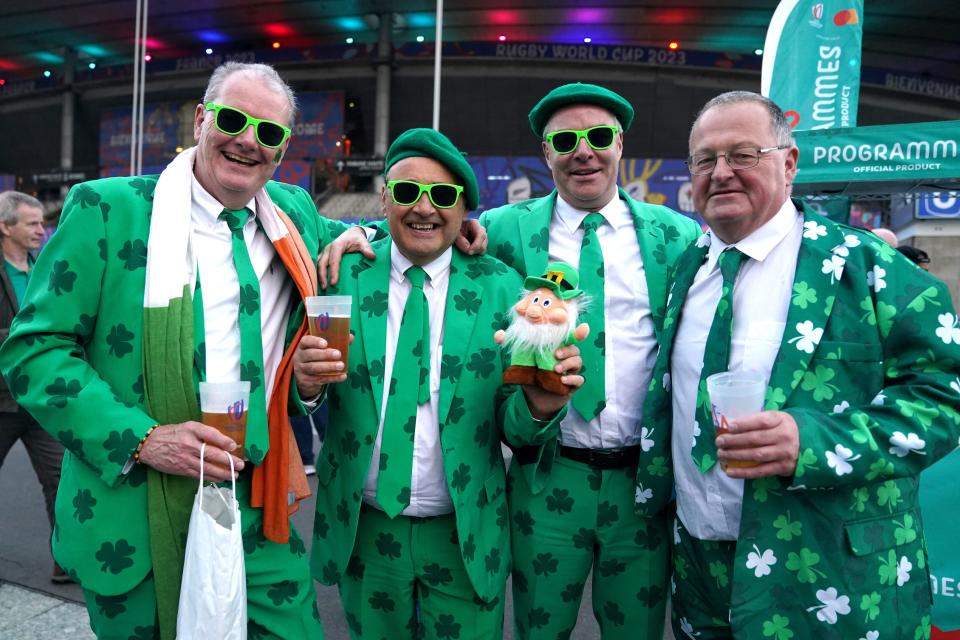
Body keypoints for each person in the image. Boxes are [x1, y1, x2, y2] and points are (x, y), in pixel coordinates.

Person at [0, 62, 345, 638]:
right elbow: (35, 349)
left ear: (283, 149)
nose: (247, 141)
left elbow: (379, 241)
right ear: (203, 120)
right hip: (132, 516)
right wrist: (142, 438)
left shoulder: (295, 216)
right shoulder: (107, 209)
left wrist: (429, 231)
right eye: (233, 120)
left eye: (269, 132)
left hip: (256, 510)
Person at [644, 90, 960, 639]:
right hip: (701, 573)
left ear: (789, 164)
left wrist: (813, 441)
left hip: (832, 577)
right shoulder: (687, 271)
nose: (721, 173)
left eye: (743, 155)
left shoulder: (870, 266)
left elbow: (945, 394)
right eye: (705, 159)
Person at [299, 128, 583, 640]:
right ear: (383, 198)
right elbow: (267, 199)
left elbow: (512, 427)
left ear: (465, 208)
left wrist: (539, 407)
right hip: (365, 529)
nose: (423, 208)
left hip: (464, 532)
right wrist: (308, 388)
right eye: (406, 192)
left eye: (443, 195)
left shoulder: (504, 289)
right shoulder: (339, 274)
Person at [479, 83, 699, 639]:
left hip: (643, 487)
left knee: (637, 632)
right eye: (565, 140)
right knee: (538, 628)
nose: (584, 151)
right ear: (545, 153)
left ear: (620, 144)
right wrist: (360, 230)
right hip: (546, 476)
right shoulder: (506, 229)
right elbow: (421, 228)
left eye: (598, 137)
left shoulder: (676, 235)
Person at [0, 190, 68, 583]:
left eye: (42, 223)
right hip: (1, 400)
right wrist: (22, 337)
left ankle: (65, 559)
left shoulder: (45, 269)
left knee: (60, 481)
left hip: (40, 401)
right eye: (31, 223)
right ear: (6, 227)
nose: (41, 230)